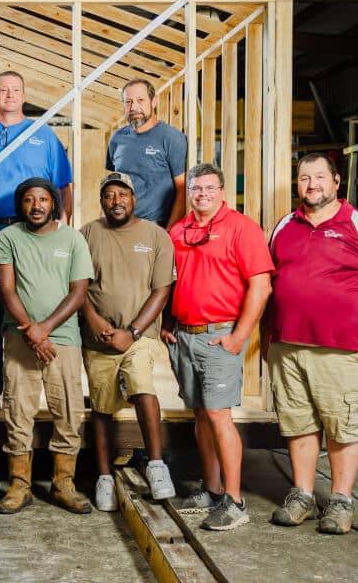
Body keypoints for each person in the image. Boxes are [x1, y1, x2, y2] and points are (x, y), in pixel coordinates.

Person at [263, 153, 358, 534]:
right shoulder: (284, 226)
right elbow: (270, 285)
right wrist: (267, 339)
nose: (312, 184)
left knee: (342, 426)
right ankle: (302, 495)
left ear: (336, 181)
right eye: (304, 177)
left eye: (319, 177)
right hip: (289, 346)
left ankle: (341, 501)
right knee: (298, 424)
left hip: (342, 349)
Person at [163, 162, 273, 531]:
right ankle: (210, 490)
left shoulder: (242, 229)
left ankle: (234, 500)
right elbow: (170, 283)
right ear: (189, 191)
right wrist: (167, 323)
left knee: (219, 416)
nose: (203, 194)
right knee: (200, 414)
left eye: (210, 188)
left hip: (219, 335)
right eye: (196, 188)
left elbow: (261, 286)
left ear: (223, 192)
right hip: (184, 335)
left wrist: (240, 336)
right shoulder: (179, 231)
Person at [0, 71, 74, 410]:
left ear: (24, 95)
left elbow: (64, 184)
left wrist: (63, 222)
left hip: (31, 233)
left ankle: (31, 389)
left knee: (28, 305)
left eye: (15, 90)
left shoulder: (43, 134)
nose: (9, 95)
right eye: (3, 90)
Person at [0, 177, 93, 516]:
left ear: (54, 203)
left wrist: (45, 329)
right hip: (19, 337)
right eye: (29, 200)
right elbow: (7, 289)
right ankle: (19, 484)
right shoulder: (8, 237)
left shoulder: (73, 238)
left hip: (63, 339)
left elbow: (79, 291)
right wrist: (30, 332)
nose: (36, 206)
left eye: (43, 199)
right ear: (21, 204)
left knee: (68, 410)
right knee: (18, 409)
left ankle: (64, 483)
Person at [80, 172, 176, 510]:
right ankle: (104, 476)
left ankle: (156, 464)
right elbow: (78, 285)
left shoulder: (156, 236)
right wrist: (93, 321)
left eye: (123, 194)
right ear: (102, 201)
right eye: (109, 195)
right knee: (103, 404)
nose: (116, 200)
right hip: (98, 336)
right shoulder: (88, 234)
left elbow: (161, 290)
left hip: (140, 337)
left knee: (141, 382)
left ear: (134, 199)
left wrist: (132, 331)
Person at [105, 78, 187, 229]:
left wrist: (170, 231)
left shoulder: (171, 138)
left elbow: (182, 188)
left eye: (140, 100)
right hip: (119, 226)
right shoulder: (117, 138)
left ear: (154, 101)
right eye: (128, 101)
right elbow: (111, 186)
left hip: (156, 226)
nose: (134, 106)